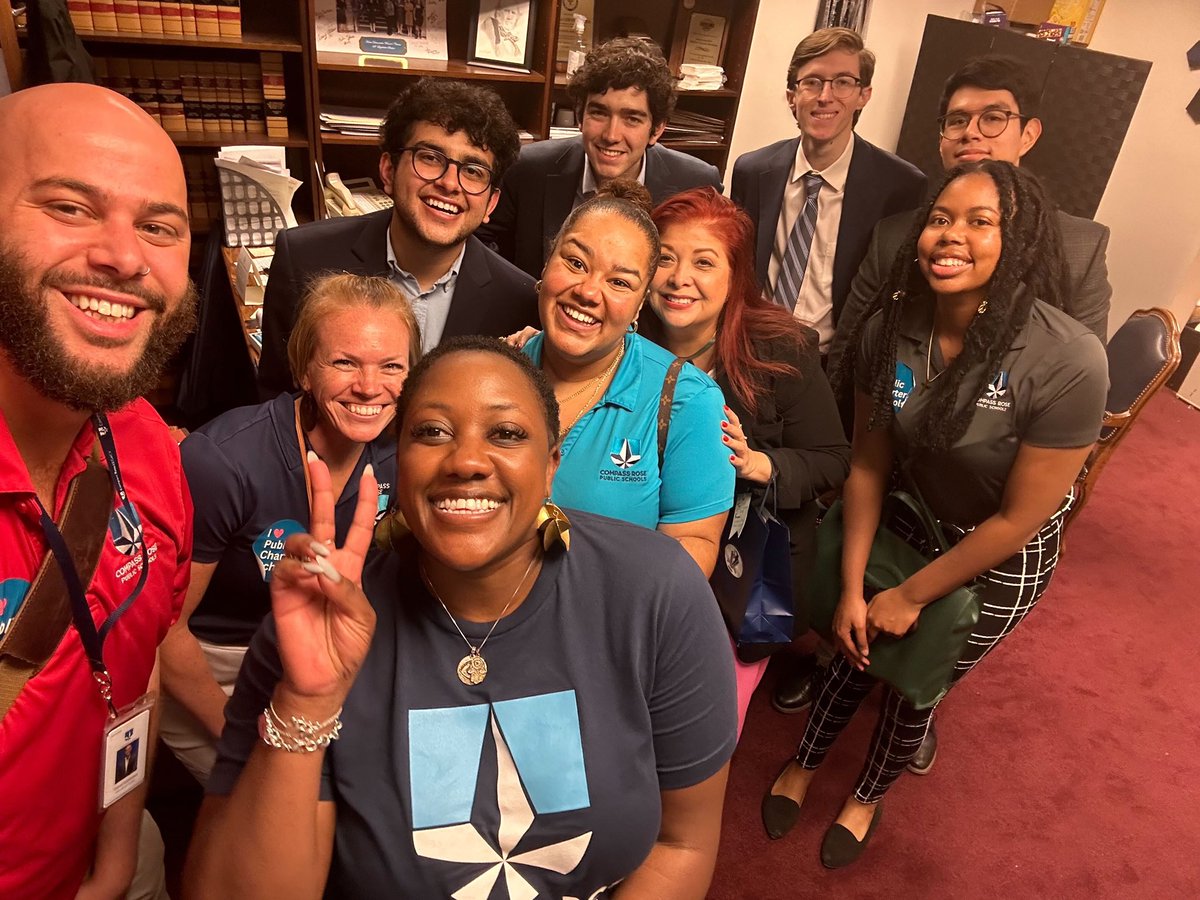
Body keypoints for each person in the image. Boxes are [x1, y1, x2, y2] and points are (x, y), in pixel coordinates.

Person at [186, 337, 737, 898]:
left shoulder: (656, 590)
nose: (467, 461)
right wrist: (306, 702)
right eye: (432, 432)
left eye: (506, 434)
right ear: (398, 459)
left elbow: (681, 843)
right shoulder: (317, 624)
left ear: (551, 466)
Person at [760, 161, 1108, 868]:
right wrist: (857, 588)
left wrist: (911, 596)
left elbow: (1017, 521)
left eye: (982, 222)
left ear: (1022, 242)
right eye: (941, 219)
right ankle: (804, 761)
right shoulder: (892, 325)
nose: (952, 236)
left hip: (998, 553)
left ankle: (866, 794)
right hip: (909, 513)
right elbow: (867, 463)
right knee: (851, 645)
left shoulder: (1068, 357)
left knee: (918, 679)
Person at [819, 55, 1115, 769]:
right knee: (861, 630)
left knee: (928, 665)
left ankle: (911, 719)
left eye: (994, 118)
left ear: (1030, 132)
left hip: (999, 499)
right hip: (904, 478)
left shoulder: (1072, 272)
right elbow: (863, 357)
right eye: (957, 120)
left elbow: (1053, 409)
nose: (972, 134)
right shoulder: (903, 239)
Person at [0, 83, 196, 898]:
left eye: (159, 227)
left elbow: (131, 661)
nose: (123, 256)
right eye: (71, 208)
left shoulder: (147, 443)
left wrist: (115, 857)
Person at [159, 274, 418, 783]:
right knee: (274, 805)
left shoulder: (403, 452)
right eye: (344, 362)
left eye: (391, 366)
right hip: (218, 670)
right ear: (303, 368)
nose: (370, 386)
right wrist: (243, 736)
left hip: (331, 654)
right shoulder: (224, 463)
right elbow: (165, 634)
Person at [641, 187, 850, 734]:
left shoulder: (781, 348)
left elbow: (832, 460)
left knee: (703, 725)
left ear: (735, 276)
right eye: (665, 257)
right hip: (650, 557)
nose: (679, 277)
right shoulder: (623, 335)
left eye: (704, 262)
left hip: (740, 572)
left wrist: (762, 466)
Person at [257, 78, 537, 397]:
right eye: (430, 158)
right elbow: (277, 398)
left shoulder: (520, 301)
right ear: (388, 170)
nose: (450, 183)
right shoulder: (305, 259)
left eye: (473, 171)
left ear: (491, 203)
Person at [521, 182, 733, 577]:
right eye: (575, 263)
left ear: (640, 303)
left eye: (619, 282)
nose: (587, 291)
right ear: (546, 264)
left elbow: (693, 548)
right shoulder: (495, 372)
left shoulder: (687, 400)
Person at [730, 27, 926, 358]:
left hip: (833, 364)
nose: (825, 96)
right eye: (812, 82)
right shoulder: (752, 171)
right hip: (751, 349)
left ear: (864, 95)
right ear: (792, 95)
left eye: (843, 82)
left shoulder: (901, 186)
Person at [478, 37, 723, 278]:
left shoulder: (696, 183)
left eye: (632, 119)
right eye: (599, 113)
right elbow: (480, 250)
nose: (611, 135)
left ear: (656, 129)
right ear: (579, 117)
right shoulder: (528, 170)